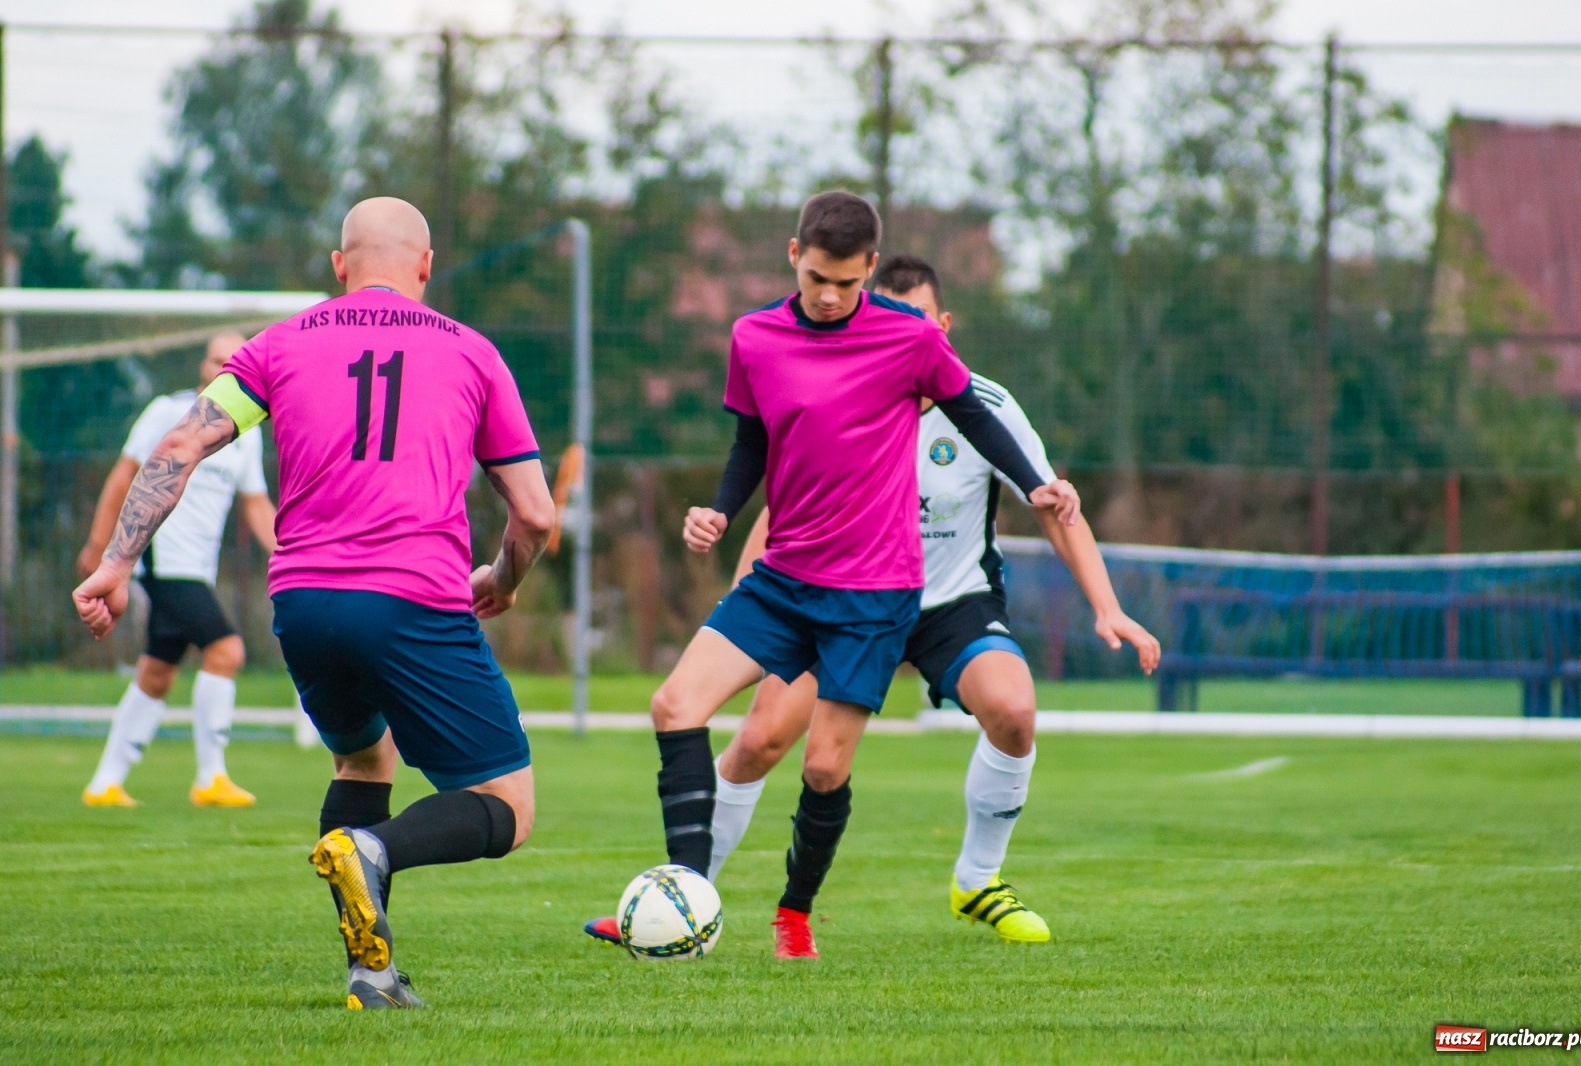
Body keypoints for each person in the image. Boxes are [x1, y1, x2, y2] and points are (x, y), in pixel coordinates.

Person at [73, 196, 555, 1011]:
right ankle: (373, 849)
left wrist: (117, 564)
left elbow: (178, 446)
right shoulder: (474, 354)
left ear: (340, 266)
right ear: (426, 266)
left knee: (365, 761)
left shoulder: (279, 344)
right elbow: (537, 513)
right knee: (509, 807)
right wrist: (502, 580)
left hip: (302, 603)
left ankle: (370, 974)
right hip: (412, 600)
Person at [586, 191, 1082, 960]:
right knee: (674, 705)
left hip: (873, 596)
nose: (829, 295)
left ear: (870, 270)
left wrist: (1033, 481)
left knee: (822, 767)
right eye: (818, 276)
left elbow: (976, 415)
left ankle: (793, 914)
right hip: (783, 581)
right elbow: (753, 443)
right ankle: (685, 899)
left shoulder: (910, 338)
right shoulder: (753, 337)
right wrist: (719, 510)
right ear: (793, 255)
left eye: (847, 283)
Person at [706, 256, 1160, 943]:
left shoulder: (988, 407)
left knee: (1013, 709)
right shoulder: (839, 398)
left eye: (911, 319)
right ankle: (686, 895)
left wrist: (1108, 605)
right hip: (842, 600)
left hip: (951, 606)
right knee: (761, 740)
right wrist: (749, 606)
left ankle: (977, 881)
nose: (893, 333)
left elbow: (1052, 505)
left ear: (940, 327)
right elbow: (779, 511)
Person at [80, 333, 278, 809]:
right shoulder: (166, 412)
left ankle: (104, 784)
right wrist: (98, 545)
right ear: (201, 365)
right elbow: (124, 477)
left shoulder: (245, 433)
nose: (222, 370)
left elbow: (256, 506)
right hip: (163, 559)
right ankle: (212, 777)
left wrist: (289, 554)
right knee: (226, 650)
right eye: (216, 361)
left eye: (232, 363)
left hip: (198, 569)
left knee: (157, 672)